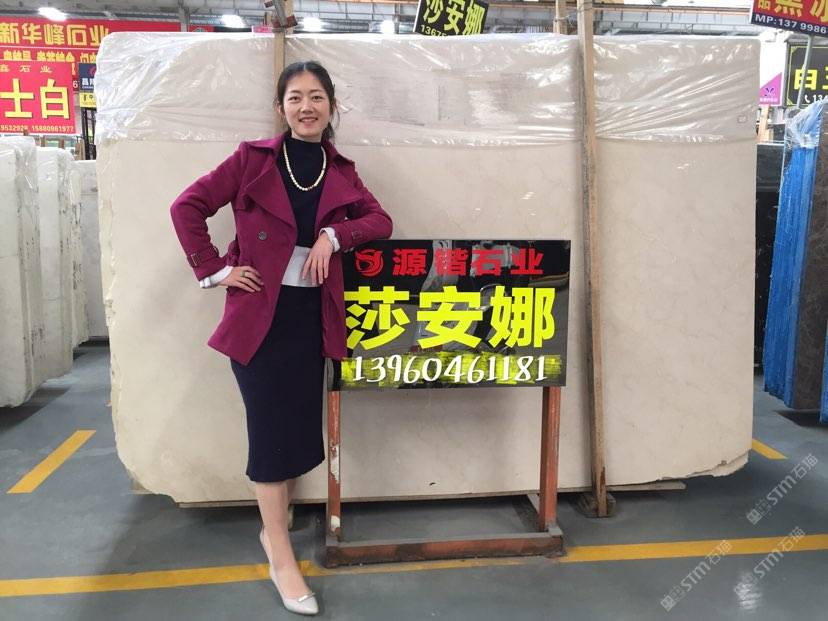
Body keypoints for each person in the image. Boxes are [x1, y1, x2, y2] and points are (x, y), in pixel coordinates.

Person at [170, 60, 393, 616]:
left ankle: (273, 532)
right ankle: (280, 555)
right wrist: (214, 270)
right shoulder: (253, 161)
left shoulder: (340, 168)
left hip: (311, 320)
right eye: (295, 98)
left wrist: (333, 235)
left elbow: (380, 221)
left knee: (293, 434)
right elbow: (187, 206)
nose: (306, 107)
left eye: (316, 97)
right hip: (259, 323)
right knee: (270, 438)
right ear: (280, 108)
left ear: (331, 106)